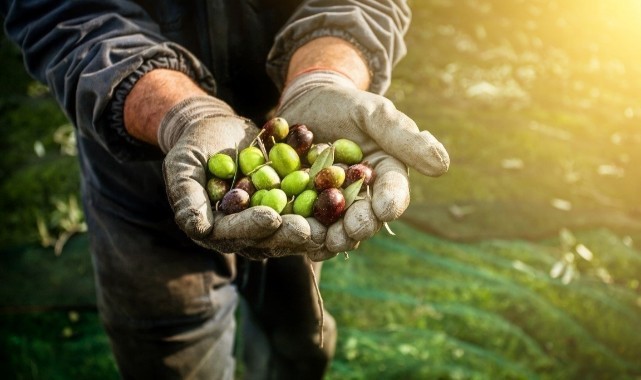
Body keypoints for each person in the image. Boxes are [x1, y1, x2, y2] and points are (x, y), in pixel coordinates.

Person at [1, 1, 449, 379]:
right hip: (138, 164)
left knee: (300, 339)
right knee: (170, 358)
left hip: (296, 128)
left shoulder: (304, 172)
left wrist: (323, 77)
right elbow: (65, 11)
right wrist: (183, 114)